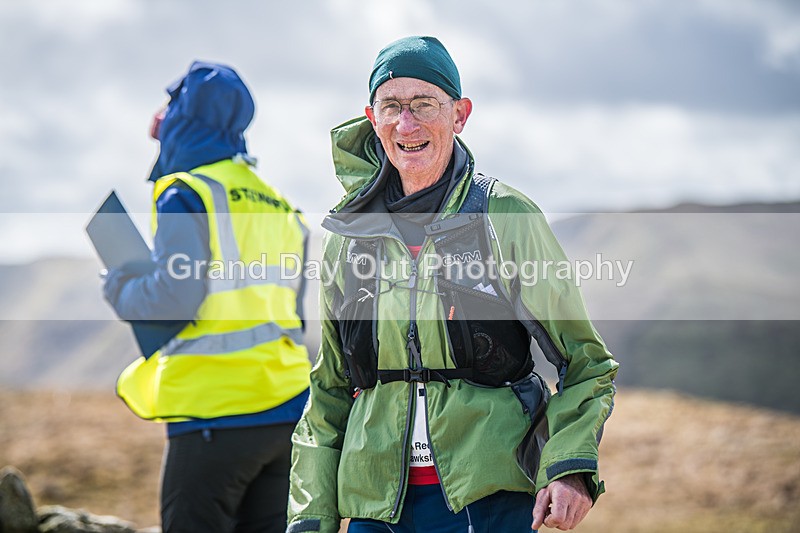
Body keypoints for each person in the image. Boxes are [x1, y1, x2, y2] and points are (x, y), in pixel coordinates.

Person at [286, 37, 618, 533]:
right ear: (371, 118)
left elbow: (586, 363)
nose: (407, 124)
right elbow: (331, 387)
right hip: (376, 511)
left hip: (490, 502)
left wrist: (569, 469)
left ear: (459, 115)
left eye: (424, 105)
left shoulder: (505, 214)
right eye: (391, 107)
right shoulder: (348, 237)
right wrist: (311, 514)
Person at [102, 61, 311, 533]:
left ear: (186, 114)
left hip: (215, 416)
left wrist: (118, 285)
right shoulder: (279, 204)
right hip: (287, 417)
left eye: (173, 102)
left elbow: (174, 296)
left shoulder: (187, 192)